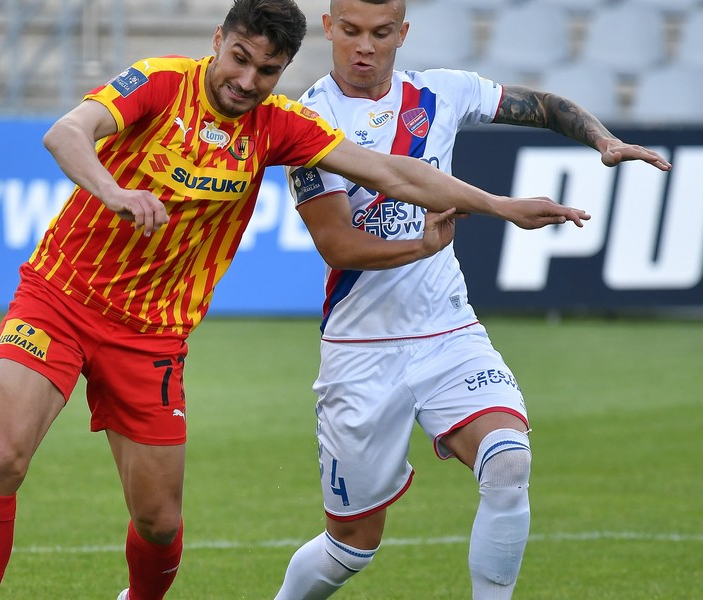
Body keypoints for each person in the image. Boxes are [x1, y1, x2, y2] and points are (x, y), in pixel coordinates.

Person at [0, 0, 592, 598]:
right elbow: (67, 133)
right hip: (59, 297)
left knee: (158, 523)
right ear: (218, 41)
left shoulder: (280, 126)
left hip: (152, 333)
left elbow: (393, 172)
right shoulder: (159, 82)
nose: (247, 80)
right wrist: (113, 192)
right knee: (4, 456)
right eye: (239, 58)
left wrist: (499, 205)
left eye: (266, 70)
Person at [272, 1, 672, 599]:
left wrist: (602, 139)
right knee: (350, 546)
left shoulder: (442, 92)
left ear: (403, 33)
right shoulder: (307, 120)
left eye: (381, 33)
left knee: (508, 463)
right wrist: (421, 244)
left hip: (448, 331)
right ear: (328, 28)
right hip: (362, 348)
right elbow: (338, 245)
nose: (365, 47)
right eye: (350, 31)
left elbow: (543, 105)